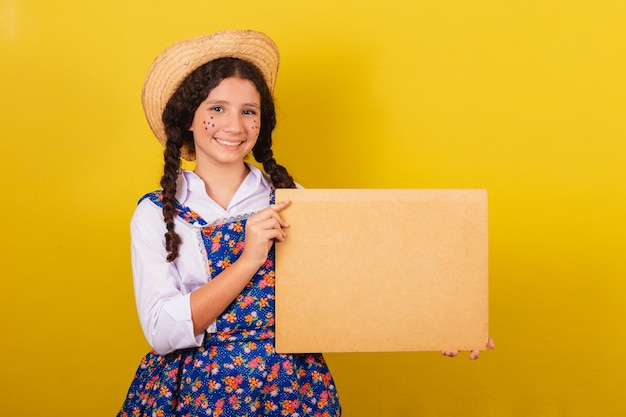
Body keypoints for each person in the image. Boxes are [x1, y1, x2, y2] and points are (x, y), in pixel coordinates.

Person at [117, 30, 341, 416]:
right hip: (192, 394)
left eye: (248, 111)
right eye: (216, 109)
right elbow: (161, 332)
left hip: (289, 391)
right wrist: (248, 260)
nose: (235, 126)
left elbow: (340, 295)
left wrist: (440, 320)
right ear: (189, 117)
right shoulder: (157, 213)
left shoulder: (292, 197)